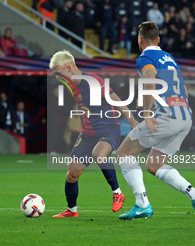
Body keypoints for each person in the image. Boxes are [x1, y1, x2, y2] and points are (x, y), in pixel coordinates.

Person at [116, 21, 195, 222]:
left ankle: (142, 204)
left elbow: (149, 80)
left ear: (140, 40)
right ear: (158, 39)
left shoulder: (146, 57)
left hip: (166, 117)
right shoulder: (170, 58)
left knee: (124, 153)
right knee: (153, 164)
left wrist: (147, 114)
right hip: (184, 116)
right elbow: (183, 89)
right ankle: (194, 195)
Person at [49, 50, 139, 217]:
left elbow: (115, 99)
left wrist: (132, 121)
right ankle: (71, 210)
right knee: (72, 174)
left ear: (69, 67)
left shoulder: (93, 81)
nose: (57, 77)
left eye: (58, 73)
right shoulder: (70, 84)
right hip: (88, 134)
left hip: (108, 129)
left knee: (99, 154)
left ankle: (117, 193)